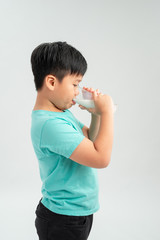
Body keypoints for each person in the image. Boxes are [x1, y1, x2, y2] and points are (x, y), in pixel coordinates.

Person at [30, 41, 114, 240]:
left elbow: (90, 142)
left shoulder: (61, 113)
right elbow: (101, 158)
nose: (78, 91)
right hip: (63, 218)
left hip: (75, 214)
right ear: (51, 82)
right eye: (75, 84)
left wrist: (96, 115)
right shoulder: (49, 124)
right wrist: (108, 111)